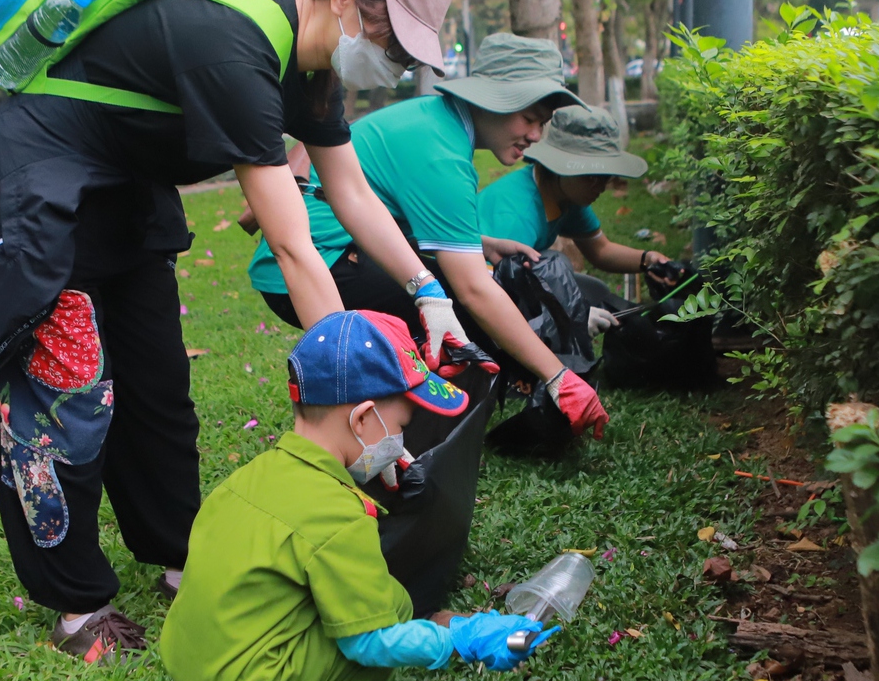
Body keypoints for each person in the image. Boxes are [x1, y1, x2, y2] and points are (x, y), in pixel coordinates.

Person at [0, 0, 488, 660]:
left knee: (158, 390)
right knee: (65, 398)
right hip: (40, 188)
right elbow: (292, 243)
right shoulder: (235, 46)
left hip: (126, 192)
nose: (397, 63)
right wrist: (359, 396)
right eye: (394, 42)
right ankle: (76, 602)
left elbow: (351, 192)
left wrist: (427, 291)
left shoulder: (309, 68)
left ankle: (181, 554)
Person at [160, 310, 556, 681]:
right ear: (364, 418)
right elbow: (372, 642)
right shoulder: (338, 514)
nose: (401, 442)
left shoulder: (253, 476)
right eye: (400, 426)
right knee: (386, 606)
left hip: (197, 668)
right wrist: (460, 640)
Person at [247, 33, 610, 439]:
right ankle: (407, 434)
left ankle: (431, 426)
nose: (538, 136)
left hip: (331, 255)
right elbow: (473, 288)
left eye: (543, 124)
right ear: (495, 99)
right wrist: (558, 376)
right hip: (312, 267)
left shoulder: (438, 121)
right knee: (467, 320)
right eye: (530, 119)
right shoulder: (443, 154)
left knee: (463, 323)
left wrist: (483, 243)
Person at [477, 104, 684, 338]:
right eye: (591, 177)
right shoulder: (516, 217)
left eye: (606, 177)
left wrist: (648, 259)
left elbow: (601, 250)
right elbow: (492, 296)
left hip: (520, 280)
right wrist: (569, 319)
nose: (600, 187)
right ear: (558, 167)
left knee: (596, 292)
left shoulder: (568, 195)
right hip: (482, 291)